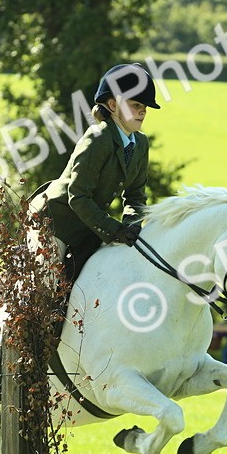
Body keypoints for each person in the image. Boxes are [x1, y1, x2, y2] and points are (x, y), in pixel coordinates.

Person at [30, 63, 159, 290]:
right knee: (46, 291)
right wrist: (115, 230)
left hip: (89, 227)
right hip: (54, 224)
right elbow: (78, 196)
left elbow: (136, 197)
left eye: (145, 107)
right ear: (112, 104)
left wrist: (132, 226)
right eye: (136, 104)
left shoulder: (140, 144)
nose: (143, 111)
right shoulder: (98, 138)